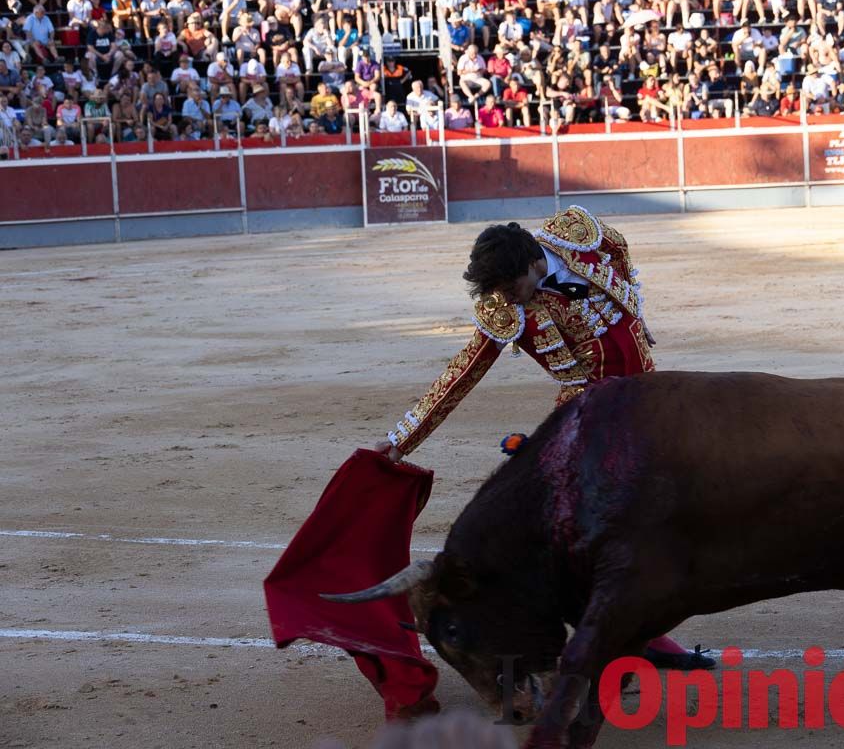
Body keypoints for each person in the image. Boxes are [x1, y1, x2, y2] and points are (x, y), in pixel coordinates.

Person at [268, 207, 716, 726]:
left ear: (533, 262)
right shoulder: (507, 309)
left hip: (650, 396)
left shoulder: (578, 235)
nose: (507, 297)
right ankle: (636, 638)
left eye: (512, 284)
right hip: (588, 417)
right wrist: (398, 440)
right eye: (497, 289)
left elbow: (617, 245)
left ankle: (640, 634)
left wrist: (638, 315)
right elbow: (460, 376)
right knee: (584, 529)